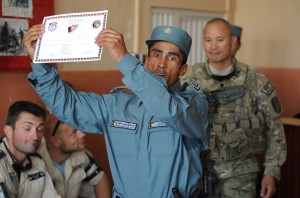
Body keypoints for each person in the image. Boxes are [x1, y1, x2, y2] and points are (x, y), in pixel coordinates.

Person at [24, 24, 209, 197]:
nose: (162, 63)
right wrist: (39, 60)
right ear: (146, 61)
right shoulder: (116, 105)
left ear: (183, 69)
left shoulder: (193, 105)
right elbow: (67, 105)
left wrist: (124, 59)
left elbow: (169, 110)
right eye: (156, 54)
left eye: (172, 58)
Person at [181, 18, 287, 198]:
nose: (213, 46)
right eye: (208, 40)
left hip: (241, 175)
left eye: (219, 40)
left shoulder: (254, 78)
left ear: (233, 41)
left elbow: (274, 128)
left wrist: (271, 171)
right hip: (198, 172)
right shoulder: (189, 78)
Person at [38, 114, 112, 198]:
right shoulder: (38, 162)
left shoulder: (80, 154)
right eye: (74, 132)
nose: (82, 134)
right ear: (55, 141)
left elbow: (100, 178)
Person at [0, 101, 61, 197]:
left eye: (40, 129)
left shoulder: (38, 161)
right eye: (27, 128)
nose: (36, 136)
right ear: (9, 132)